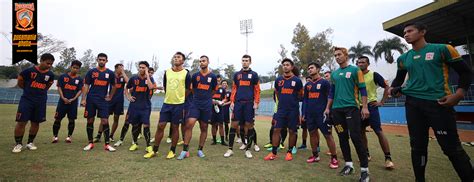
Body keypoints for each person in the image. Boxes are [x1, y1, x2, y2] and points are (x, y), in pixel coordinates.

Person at [390, 22, 473, 182]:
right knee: (417, 147)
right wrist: (393, 89)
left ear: (422, 32)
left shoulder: (442, 49)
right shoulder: (403, 58)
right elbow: (398, 80)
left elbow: (466, 72)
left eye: (410, 31)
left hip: (439, 104)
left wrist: (459, 94)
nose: (406, 34)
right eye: (404, 32)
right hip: (413, 104)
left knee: (451, 149)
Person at [325, 47, 370, 181]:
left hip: (351, 109)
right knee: (342, 137)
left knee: (356, 137)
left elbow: (363, 89)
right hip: (336, 111)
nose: (337, 57)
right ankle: (348, 165)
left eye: (339, 54)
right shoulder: (334, 74)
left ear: (346, 55)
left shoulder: (355, 70)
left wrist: (365, 107)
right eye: (335, 55)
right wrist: (328, 108)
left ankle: (365, 170)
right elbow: (332, 93)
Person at [144, 52, 191, 159]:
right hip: (167, 104)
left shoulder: (186, 73)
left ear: (183, 61)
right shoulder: (167, 72)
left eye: (178, 57)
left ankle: (172, 151)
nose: (176, 58)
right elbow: (165, 86)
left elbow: (189, 89)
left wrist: (180, 98)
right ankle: (155, 150)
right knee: (160, 126)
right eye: (174, 57)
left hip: (179, 105)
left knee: (175, 127)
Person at [356, 56, 394, 169]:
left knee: (378, 131)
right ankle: (366, 154)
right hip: (359, 107)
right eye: (358, 62)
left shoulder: (374, 75)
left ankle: (388, 158)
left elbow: (387, 87)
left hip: (371, 107)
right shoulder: (356, 76)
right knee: (361, 131)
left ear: (368, 64)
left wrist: (382, 102)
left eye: (363, 62)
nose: (360, 64)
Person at [12, 53, 55, 153]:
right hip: (27, 100)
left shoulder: (50, 75)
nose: (49, 66)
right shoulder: (28, 71)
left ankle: (30, 142)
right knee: (21, 122)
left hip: (40, 101)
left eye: (51, 64)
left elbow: (47, 86)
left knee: (36, 122)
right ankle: (18, 144)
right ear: (41, 60)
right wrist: (28, 90)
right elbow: (20, 82)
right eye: (47, 63)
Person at [177, 55, 218, 159]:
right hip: (195, 104)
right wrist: (199, 97)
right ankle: (185, 150)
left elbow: (214, 90)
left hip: (207, 105)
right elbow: (193, 89)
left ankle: (200, 150)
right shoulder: (195, 76)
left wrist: (207, 97)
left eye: (203, 61)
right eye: (200, 61)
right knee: (189, 124)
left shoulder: (213, 77)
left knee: (204, 127)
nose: (201, 63)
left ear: (208, 62)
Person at [264, 58, 302, 161]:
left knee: (292, 131)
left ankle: (289, 152)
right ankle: (273, 152)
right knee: (276, 129)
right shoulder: (278, 80)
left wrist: (292, 102)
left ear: (292, 67)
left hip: (293, 110)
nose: (285, 66)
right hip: (281, 110)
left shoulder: (297, 81)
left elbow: (300, 95)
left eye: (287, 65)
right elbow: (277, 93)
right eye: (284, 65)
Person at [302, 62, 339, 169]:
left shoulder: (325, 83)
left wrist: (329, 111)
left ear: (318, 69)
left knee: (328, 135)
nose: (309, 70)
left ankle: (334, 157)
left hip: (322, 115)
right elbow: (305, 100)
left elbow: (330, 97)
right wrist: (304, 113)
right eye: (308, 68)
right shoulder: (307, 85)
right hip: (310, 115)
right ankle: (315, 155)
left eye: (312, 68)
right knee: (312, 134)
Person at [224, 55, 261, 159]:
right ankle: (230, 149)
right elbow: (234, 88)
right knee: (234, 124)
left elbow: (257, 89)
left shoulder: (254, 75)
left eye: (246, 61)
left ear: (250, 62)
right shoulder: (237, 74)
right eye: (243, 60)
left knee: (249, 126)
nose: (244, 62)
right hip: (238, 103)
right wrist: (232, 101)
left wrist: (256, 102)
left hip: (249, 103)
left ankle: (248, 150)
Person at [81, 53, 117, 152]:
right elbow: (86, 85)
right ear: (97, 60)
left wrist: (110, 96)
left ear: (106, 61)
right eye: (100, 59)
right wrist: (83, 99)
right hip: (91, 99)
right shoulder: (91, 72)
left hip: (103, 101)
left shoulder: (110, 73)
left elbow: (114, 86)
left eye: (103, 60)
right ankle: (90, 143)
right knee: (90, 120)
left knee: (105, 121)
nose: (101, 61)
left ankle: (107, 144)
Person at [94, 63, 128, 142]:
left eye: (123, 68)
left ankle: (111, 135)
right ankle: (98, 135)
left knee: (116, 118)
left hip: (119, 100)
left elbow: (129, 83)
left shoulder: (123, 77)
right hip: (109, 100)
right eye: (120, 68)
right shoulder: (110, 75)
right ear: (116, 68)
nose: (122, 69)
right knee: (104, 117)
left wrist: (123, 72)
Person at [126, 61, 155, 153]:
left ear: (147, 68)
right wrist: (128, 97)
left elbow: (151, 87)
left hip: (145, 106)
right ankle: (135, 143)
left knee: (146, 125)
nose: (141, 69)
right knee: (135, 125)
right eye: (140, 67)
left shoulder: (150, 78)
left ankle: (148, 146)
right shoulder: (133, 78)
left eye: (144, 68)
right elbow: (126, 88)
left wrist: (147, 74)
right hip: (134, 106)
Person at [52, 60, 83, 143]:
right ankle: (55, 136)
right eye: (74, 67)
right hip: (62, 102)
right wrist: (63, 97)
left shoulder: (79, 79)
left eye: (77, 68)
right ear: (70, 67)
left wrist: (73, 99)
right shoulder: (63, 77)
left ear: (79, 69)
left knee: (71, 120)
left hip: (73, 103)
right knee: (58, 119)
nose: (75, 69)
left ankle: (69, 137)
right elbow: (59, 87)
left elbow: (80, 90)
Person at [210, 75, 229, 146]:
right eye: (216, 81)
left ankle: (222, 141)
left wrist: (222, 102)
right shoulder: (211, 88)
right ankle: (214, 140)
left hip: (220, 109)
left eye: (219, 81)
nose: (217, 82)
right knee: (213, 125)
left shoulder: (222, 89)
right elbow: (208, 97)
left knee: (221, 124)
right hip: (212, 109)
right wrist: (213, 101)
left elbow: (225, 98)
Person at [297, 76, 312, 150]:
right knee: (304, 129)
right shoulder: (304, 91)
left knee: (314, 130)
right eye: (307, 80)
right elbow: (300, 98)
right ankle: (304, 144)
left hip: (313, 113)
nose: (308, 82)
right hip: (304, 113)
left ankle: (317, 146)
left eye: (310, 80)